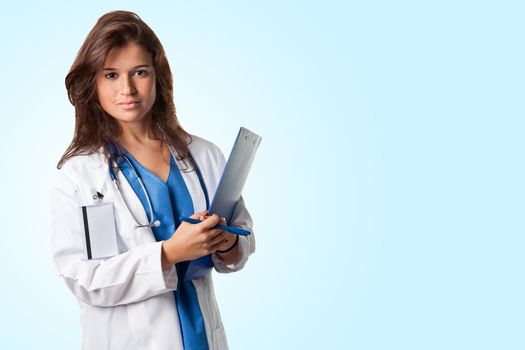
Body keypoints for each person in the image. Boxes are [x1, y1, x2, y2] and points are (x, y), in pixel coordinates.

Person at [51, 10, 255, 350]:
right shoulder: (79, 176)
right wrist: (169, 253)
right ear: (93, 83)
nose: (127, 88)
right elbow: (84, 280)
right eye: (111, 75)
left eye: (139, 72)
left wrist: (228, 245)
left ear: (157, 77)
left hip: (202, 337)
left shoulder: (204, 155)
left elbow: (242, 242)